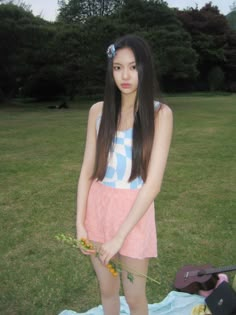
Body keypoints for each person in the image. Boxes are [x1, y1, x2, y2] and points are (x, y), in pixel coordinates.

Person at [76, 34, 173, 315]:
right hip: (98, 212)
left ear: (144, 67)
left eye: (132, 66)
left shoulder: (160, 115)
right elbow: (86, 173)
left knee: (133, 296)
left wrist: (119, 236)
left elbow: (153, 185)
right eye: (117, 67)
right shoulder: (98, 112)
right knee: (107, 291)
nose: (125, 75)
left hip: (135, 216)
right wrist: (81, 224)